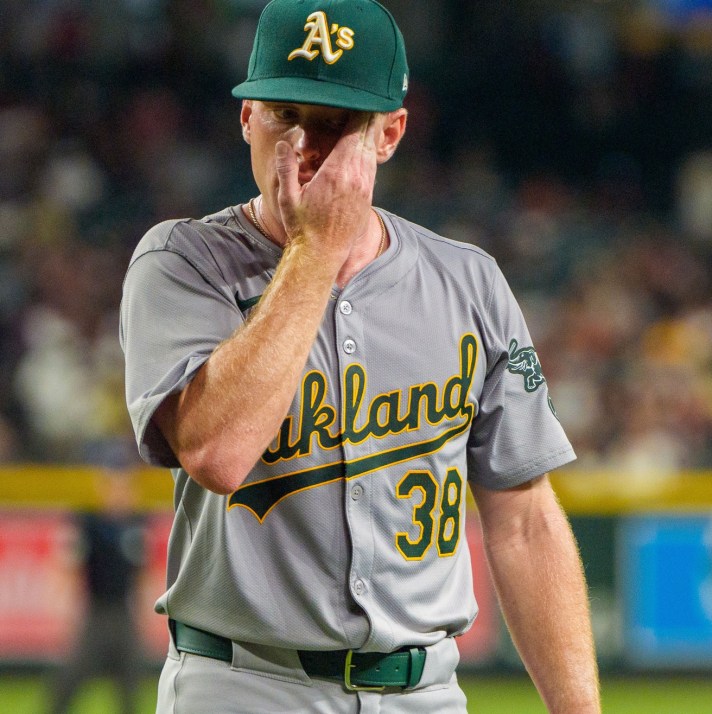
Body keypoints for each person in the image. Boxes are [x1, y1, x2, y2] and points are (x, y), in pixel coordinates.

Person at [118, 1, 600, 712]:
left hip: (424, 691)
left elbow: (524, 520)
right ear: (246, 117)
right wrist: (316, 250)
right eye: (285, 112)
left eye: (337, 122)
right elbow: (217, 452)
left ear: (390, 134)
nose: (305, 145)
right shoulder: (183, 262)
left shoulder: (467, 283)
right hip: (244, 684)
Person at [47, 447, 146, 714]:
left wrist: (142, 611)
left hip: (122, 613)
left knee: (130, 687)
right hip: (96, 612)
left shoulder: (137, 523)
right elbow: (70, 564)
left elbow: (141, 572)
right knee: (69, 681)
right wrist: (67, 609)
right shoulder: (89, 522)